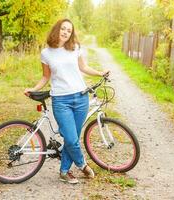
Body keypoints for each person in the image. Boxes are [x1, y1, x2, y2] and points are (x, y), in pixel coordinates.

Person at [24, 18, 109, 184]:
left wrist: (100, 73)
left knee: (73, 139)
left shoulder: (75, 48)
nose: (65, 32)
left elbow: (84, 68)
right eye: (63, 29)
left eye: (69, 31)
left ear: (71, 34)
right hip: (61, 101)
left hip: (81, 98)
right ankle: (82, 164)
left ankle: (64, 171)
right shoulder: (46, 53)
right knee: (71, 139)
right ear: (57, 29)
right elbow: (46, 76)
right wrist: (33, 89)